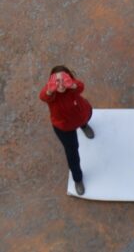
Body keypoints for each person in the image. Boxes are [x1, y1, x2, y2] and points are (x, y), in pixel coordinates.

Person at [39, 66, 94, 196]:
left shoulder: (72, 88)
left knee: (85, 119)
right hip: (65, 128)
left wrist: (72, 84)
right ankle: (77, 179)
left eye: (64, 79)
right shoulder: (51, 95)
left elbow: (81, 87)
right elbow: (43, 96)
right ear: (51, 82)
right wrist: (49, 90)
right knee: (72, 152)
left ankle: (84, 126)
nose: (61, 84)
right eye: (57, 81)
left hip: (81, 116)